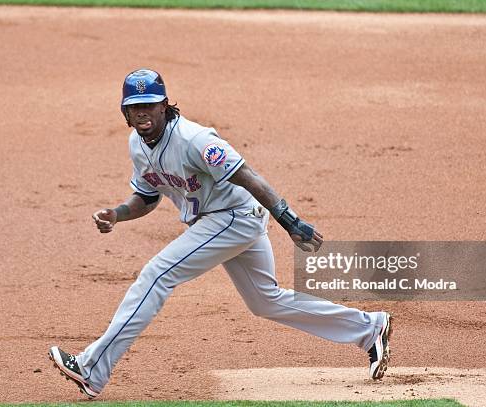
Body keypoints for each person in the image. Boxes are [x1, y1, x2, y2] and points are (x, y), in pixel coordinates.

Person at [48, 68, 392, 398]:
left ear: (165, 105)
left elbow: (249, 176)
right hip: (222, 220)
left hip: (233, 217)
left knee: (157, 274)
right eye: (134, 107)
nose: (142, 113)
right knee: (265, 301)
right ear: (125, 112)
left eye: (149, 105)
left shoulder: (194, 140)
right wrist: (118, 214)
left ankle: (93, 368)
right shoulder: (137, 145)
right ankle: (369, 328)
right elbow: (148, 196)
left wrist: (290, 220)